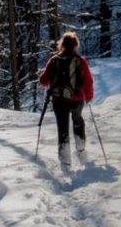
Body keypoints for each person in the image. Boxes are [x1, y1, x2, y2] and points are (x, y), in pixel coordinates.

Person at [39, 31, 94, 165]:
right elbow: (88, 80)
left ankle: (65, 160)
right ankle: (81, 149)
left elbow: (43, 81)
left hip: (59, 100)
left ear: (62, 45)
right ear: (76, 45)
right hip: (77, 98)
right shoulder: (80, 61)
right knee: (77, 120)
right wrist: (88, 96)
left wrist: (45, 75)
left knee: (62, 128)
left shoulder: (54, 60)